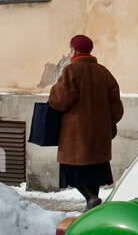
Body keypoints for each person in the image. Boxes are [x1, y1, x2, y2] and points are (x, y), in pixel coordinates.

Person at [48, 34, 124, 210]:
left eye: (70, 48)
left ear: (74, 50)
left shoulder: (70, 71)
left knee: (73, 172)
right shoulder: (103, 72)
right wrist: (109, 123)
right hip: (99, 136)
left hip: (75, 137)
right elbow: (116, 107)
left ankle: (91, 199)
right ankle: (93, 206)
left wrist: (55, 91)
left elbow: (59, 101)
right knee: (94, 173)